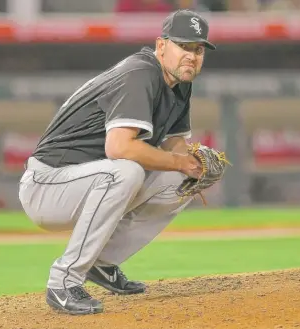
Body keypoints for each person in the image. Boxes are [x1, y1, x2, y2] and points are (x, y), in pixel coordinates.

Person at [19, 9, 216, 315]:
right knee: (126, 170)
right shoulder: (141, 73)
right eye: (184, 46)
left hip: (90, 180)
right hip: (47, 185)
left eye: (198, 49)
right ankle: (63, 282)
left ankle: (103, 262)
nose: (191, 55)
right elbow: (119, 147)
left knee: (181, 180)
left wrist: (192, 164)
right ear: (161, 45)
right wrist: (179, 161)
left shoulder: (180, 82)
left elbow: (174, 145)